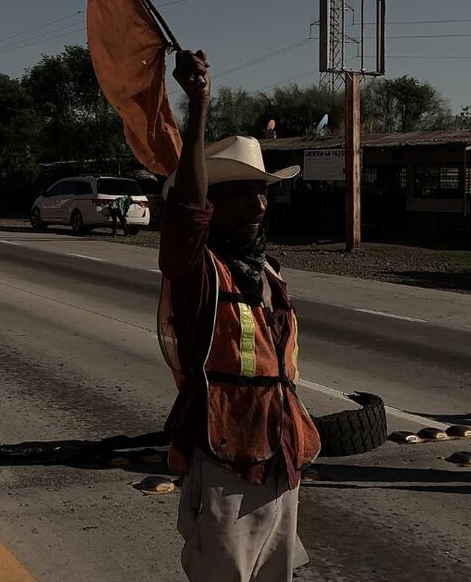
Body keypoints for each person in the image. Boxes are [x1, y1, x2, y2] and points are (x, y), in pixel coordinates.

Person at [157, 50, 321, 582]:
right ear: (213, 204)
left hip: (280, 457)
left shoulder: (268, 272)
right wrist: (199, 104)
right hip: (227, 460)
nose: (257, 207)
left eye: (262, 195)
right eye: (241, 197)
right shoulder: (198, 273)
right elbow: (186, 214)